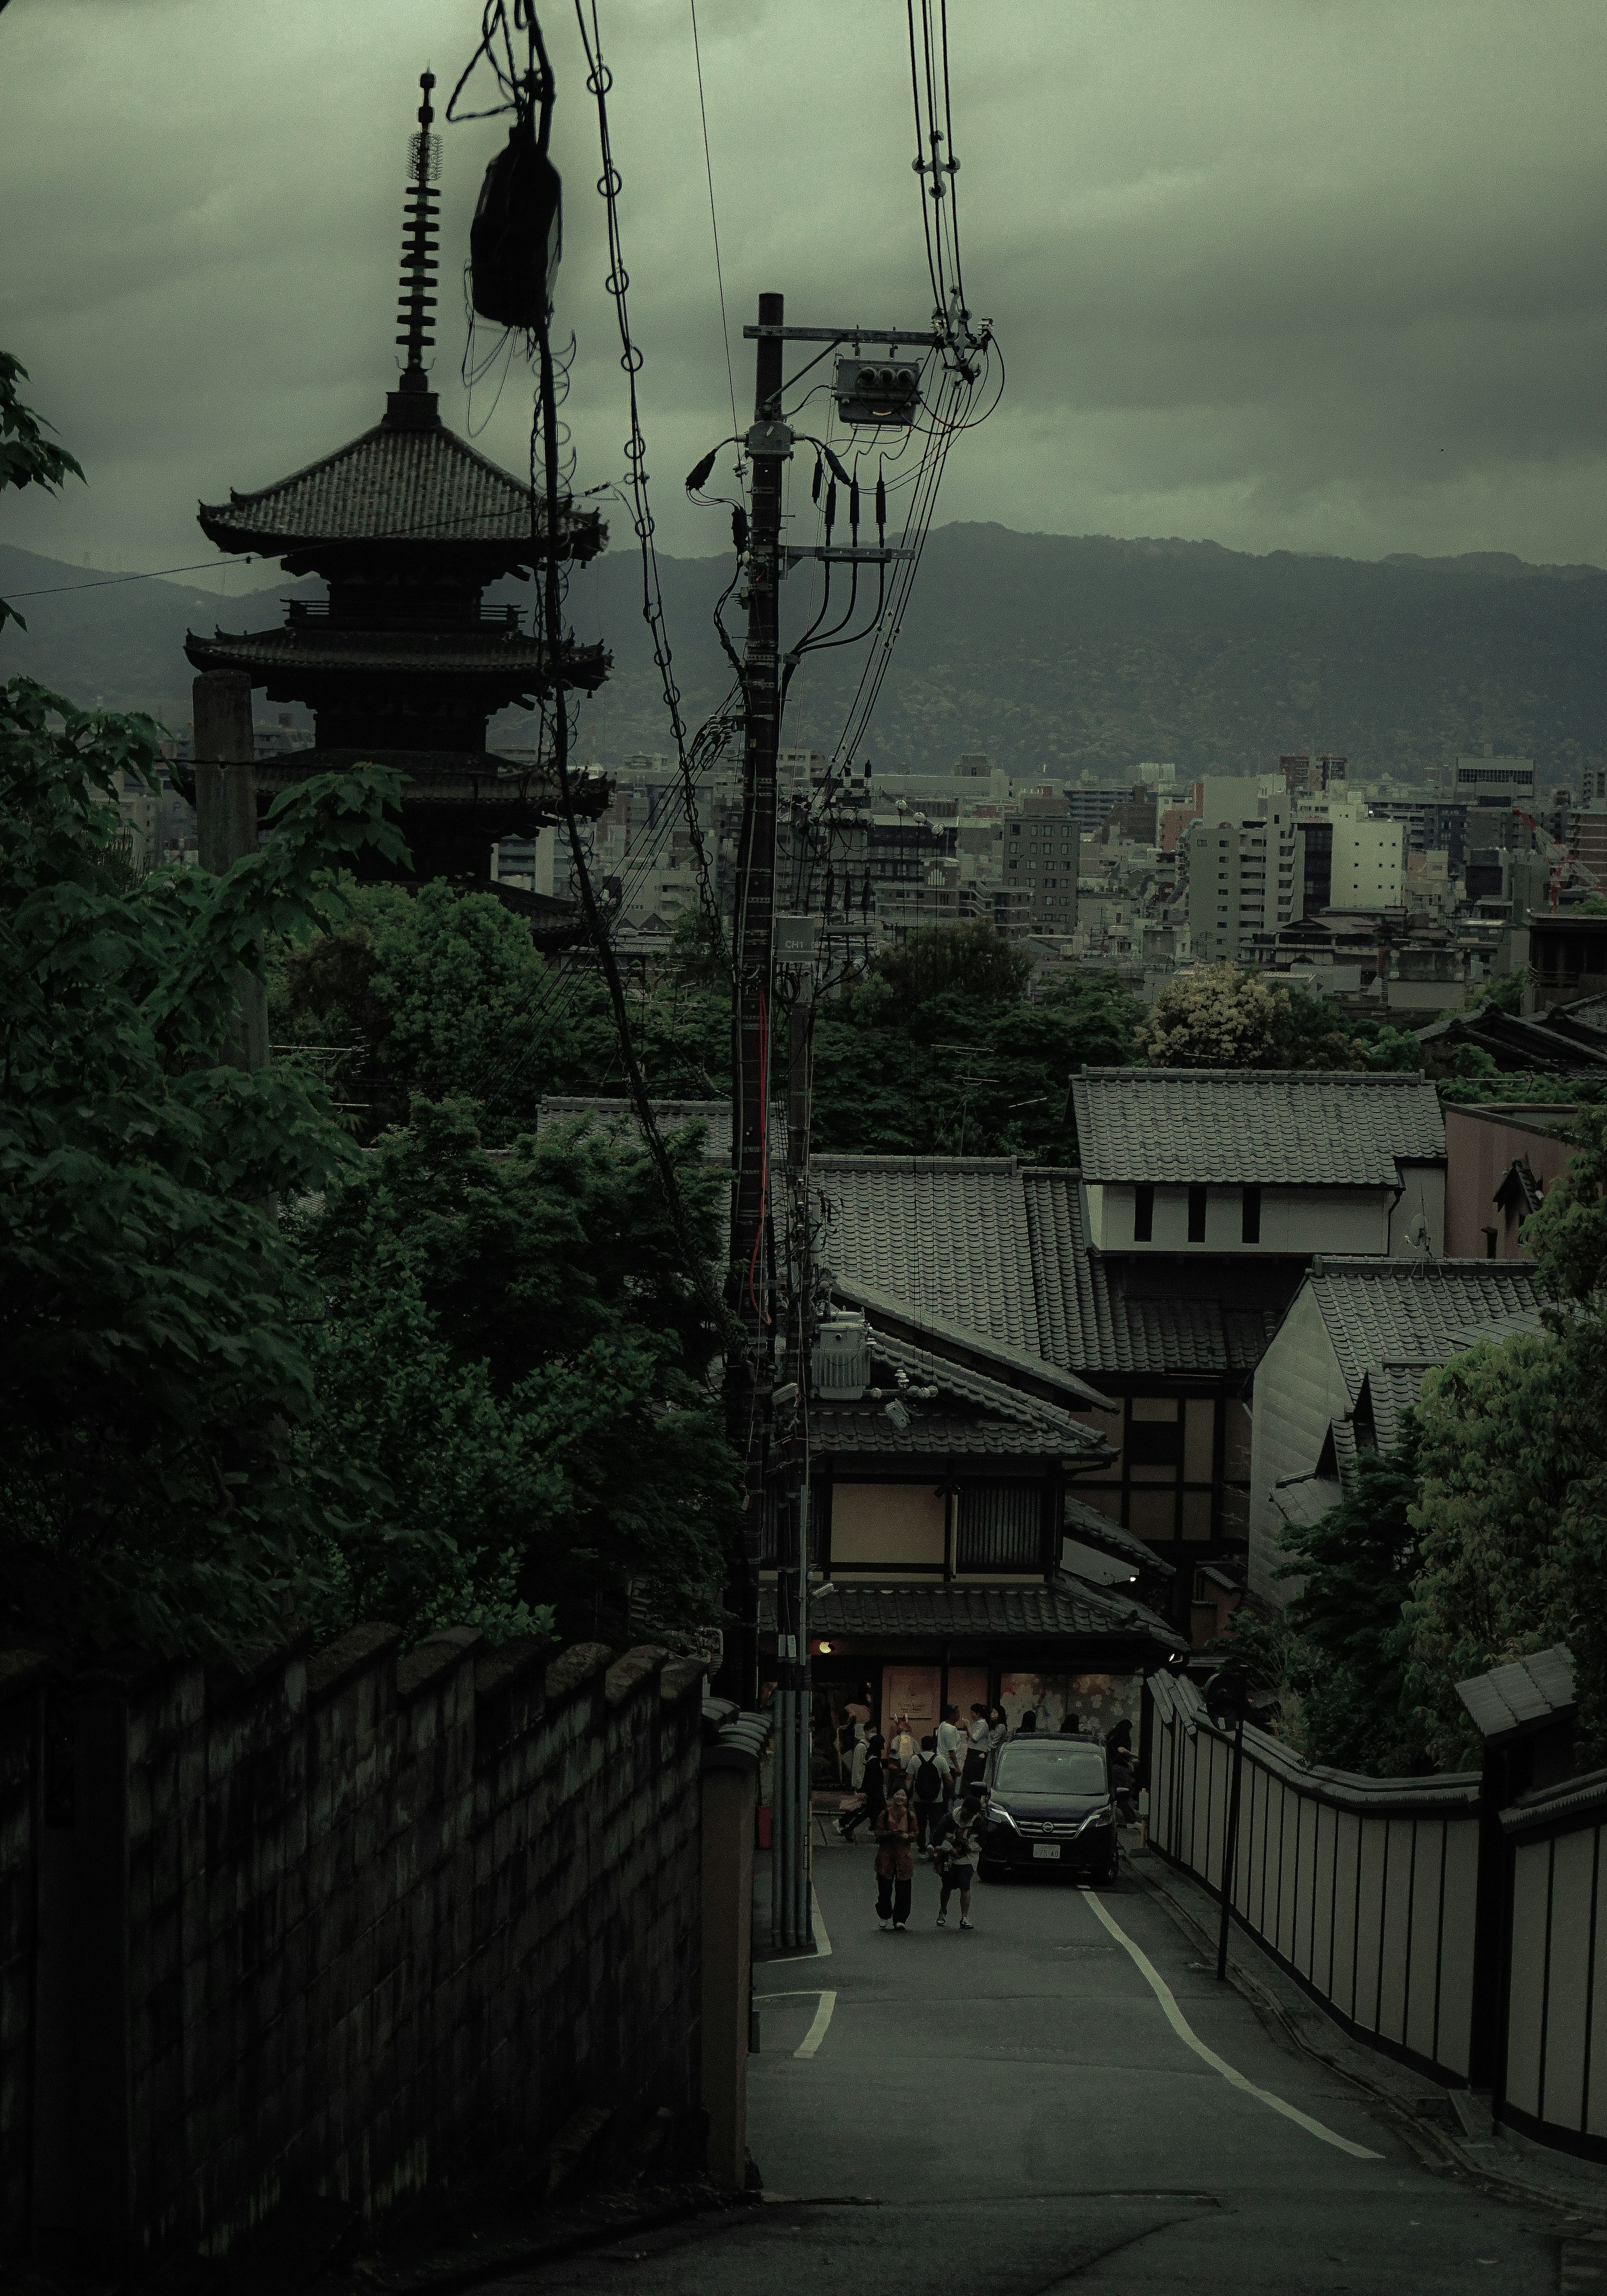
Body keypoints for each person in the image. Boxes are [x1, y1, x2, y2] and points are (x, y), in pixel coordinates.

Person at [930, 1796, 981, 1931]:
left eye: (971, 1815)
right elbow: (937, 1837)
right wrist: (950, 1849)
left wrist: (969, 1848)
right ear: (962, 1808)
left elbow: (983, 1841)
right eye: (966, 1813)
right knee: (947, 1885)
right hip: (949, 1857)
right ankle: (943, 1911)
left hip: (968, 1858)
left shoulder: (979, 1823)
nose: (967, 1817)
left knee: (965, 1885)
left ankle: (965, 1917)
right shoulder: (949, 1819)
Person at [874, 1786, 918, 1931]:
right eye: (897, 1795)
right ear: (892, 1797)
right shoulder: (885, 1814)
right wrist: (891, 1834)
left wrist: (908, 1836)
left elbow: (916, 1834)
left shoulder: (911, 1816)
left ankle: (900, 1919)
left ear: (907, 1799)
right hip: (886, 1857)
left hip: (904, 1857)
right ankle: (884, 1915)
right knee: (884, 1888)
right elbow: (878, 1833)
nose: (900, 1798)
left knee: (904, 1890)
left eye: (903, 1796)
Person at [839, 1730, 886, 1842]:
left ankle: (851, 1829)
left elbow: (867, 1776)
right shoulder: (875, 1760)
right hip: (876, 1793)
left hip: (873, 1792)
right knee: (878, 1813)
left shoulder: (870, 1757)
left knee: (869, 1813)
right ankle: (878, 1834)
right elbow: (873, 1778)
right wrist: (868, 1791)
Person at [906, 1734, 949, 1847]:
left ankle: (921, 1847)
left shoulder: (915, 1760)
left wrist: (907, 1795)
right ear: (934, 1745)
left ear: (921, 1745)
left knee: (921, 1823)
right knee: (935, 1823)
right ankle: (932, 1845)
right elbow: (949, 1780)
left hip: (919, 1798)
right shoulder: (940, 1760)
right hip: (937, 1799)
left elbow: (909, 1780)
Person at [935, 1702, 965, 1806]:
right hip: (949, 1764)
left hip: (942, 1761)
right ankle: (945, 1810)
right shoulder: (951, 1729)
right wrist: (957, 1767)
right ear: (952, 1714)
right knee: (949, 1789)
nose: (959, 1715)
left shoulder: (943, 1725)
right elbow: (951, 1751)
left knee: (944, 1789)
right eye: (957, 1713)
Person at [961, 1702, 990, 1792]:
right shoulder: (977, 1723)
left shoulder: (983, 1724)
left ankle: (973, 1793)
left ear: (979, 1714)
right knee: (968, 1774)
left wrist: (969, 1726)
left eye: (973, 1714)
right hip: (972, 1751)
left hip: (978, 1752)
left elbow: (975, 1738)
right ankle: (966, 1792)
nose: (972, 1716)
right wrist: (966, 1728)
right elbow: (970, 1736)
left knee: (974, 1775)